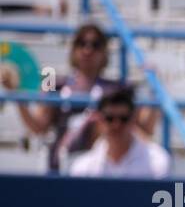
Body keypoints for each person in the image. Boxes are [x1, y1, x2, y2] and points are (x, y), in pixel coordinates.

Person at [1, 23, 156, 173]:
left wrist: (154, 89)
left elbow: (144, 129)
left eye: (95, 45)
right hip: (61, 164)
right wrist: (16, 93)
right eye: (81, 43)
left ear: (104, 52)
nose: (87, 50)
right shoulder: (53, 82)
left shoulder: (119, 90)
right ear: (73, 49)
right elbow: (39, 127)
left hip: (102, 169)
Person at [66, 87, 171, 178]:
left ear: (133, 119)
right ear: (99, 120)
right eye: (109, 118)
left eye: (124, 119)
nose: (116, 125)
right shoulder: (82, 168)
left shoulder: (158, 161)